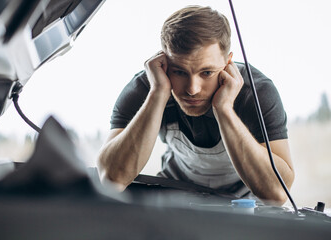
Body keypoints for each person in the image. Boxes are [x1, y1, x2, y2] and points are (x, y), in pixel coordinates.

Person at [97, 5, 294, 204]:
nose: (192, 89)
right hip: (176, 197)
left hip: (245, 205)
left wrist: (224, 109)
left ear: (228, 62)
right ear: (163, 62)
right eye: (179, 72)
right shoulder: (146, 88)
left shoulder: (256, 93)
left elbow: (277, 194)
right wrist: (158, 95)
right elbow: (112, 180)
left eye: (207, 73)